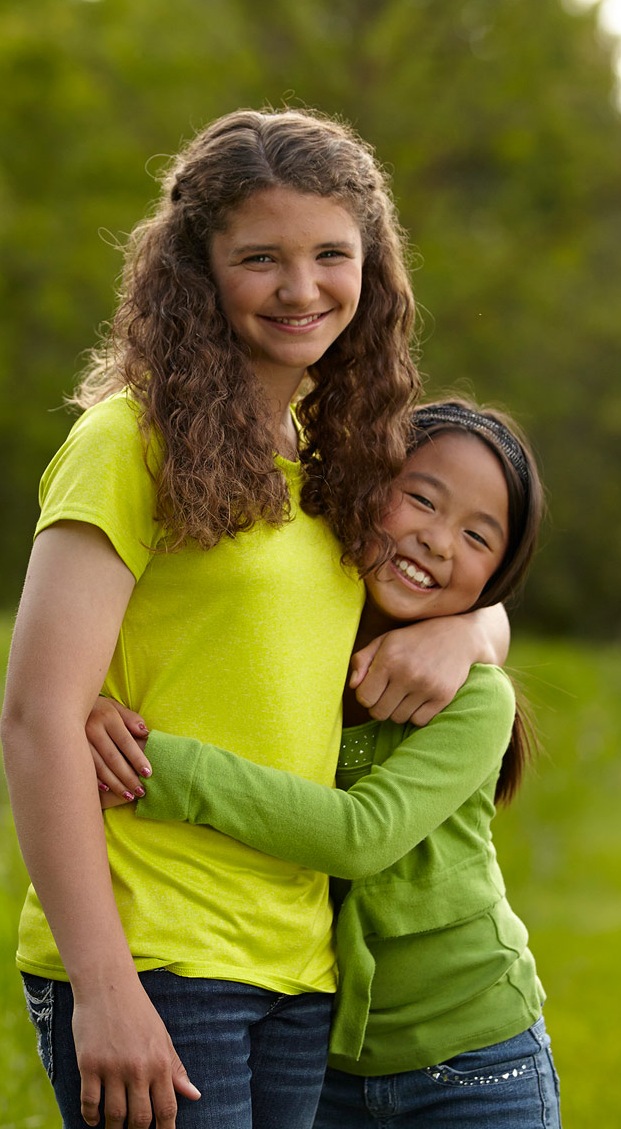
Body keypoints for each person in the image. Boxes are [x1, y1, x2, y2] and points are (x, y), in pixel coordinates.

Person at [0, 109, 510, 1129]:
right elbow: (35, 721)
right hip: (156, 951)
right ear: (199, 267)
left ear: (373, 266)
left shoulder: (336, 451)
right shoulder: (128, 440)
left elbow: (429, 585)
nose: (301, 287)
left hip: (299, 962)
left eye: (332, 254)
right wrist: (104, 988)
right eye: (261, 257)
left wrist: (473, 630)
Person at [87, 400, 559, 1128]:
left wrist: (157, 767)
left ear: (499, 573)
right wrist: (98, 705)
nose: (437, 541)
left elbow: (359, 836)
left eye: (476, 536)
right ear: (368, 486)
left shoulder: (477, 697)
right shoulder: (301, 638)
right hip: (326, 1063)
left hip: (475, 1060)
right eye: (421, 500)